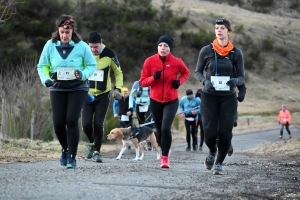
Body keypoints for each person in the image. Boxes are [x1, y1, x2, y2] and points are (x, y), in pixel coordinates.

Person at [37, 15, 97, 168]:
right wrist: (46, 79)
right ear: (58, 30)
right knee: (58, 123)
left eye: (67, 32)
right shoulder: (50, 45)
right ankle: (64, 148)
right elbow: (42, 65)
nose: (64, 35)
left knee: (71, 120)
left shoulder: (82, 46)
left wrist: (82, 74)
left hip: (78, 87)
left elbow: (91, 65)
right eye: (62, 32)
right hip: (57, 87)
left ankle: (72, 156)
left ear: (72, 31)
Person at [195, 18, 245, 175]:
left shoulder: (236, 53)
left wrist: (236, 81)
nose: (219, 30)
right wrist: (205, 81)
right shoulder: (206, 50)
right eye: (217, 28)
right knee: (209, 132)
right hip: (209, 96)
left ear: (228, 31)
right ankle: (211, 151)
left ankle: (219, 163)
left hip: (228, 97)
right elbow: (197, 72)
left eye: (222, 28)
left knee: (225, 132)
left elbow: (242, 76)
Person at [140, 34, 190, 168]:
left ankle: (165, 157)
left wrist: (178, 82)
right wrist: (153, 78)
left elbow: (186, 72)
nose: (163, 48)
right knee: (159, 131)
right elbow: (143, 82)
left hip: (171, 100)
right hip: (155, 100)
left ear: (170, 48)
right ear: (157, 47)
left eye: (166, 46)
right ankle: (164, 147)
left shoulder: (176, 62)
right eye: (160, 45)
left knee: (166, 128)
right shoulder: (149, 61)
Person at [81, 31, 123, 163]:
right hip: (87, 95)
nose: (93, 50)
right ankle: (92, 143)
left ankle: (97, 152)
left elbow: (118, 72)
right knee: (86, 124)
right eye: (91, 47)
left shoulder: (109, 54)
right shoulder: (84, 54)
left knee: (98, 124)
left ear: (101, 43)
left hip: (103, 95)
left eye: (96, 47)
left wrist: (118, 89)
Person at [129, 80, 154, 150]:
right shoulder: (136, 83)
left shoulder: (150, 82)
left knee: (148, 123)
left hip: (148, 104)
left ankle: (149, 142)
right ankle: (141, 142)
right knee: (141, 124)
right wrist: (130, 106)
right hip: (139, 105)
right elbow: (131, 95)